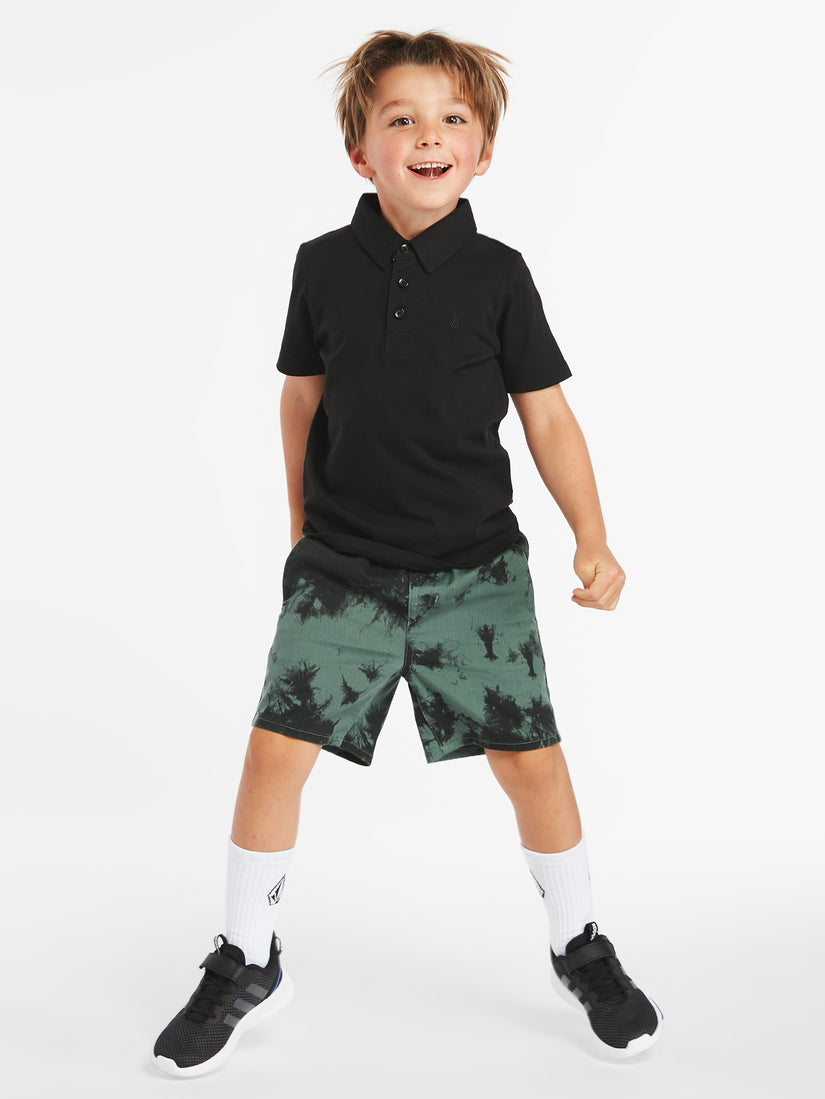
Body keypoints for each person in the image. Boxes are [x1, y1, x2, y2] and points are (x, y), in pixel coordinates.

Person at [153, 29, 662, 1077]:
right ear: (362, 152)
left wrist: (593, 537)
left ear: (482, 152)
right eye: (402, 119)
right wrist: (299, 525)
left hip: (476, 571)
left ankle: (578, 941)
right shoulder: (321, 266)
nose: (429, 136)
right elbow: (301, 399)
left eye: (452, 120)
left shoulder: (500, 275)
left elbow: (548, 417)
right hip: (342, 567)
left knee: (532, 763)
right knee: (274, 752)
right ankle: (247, 953)